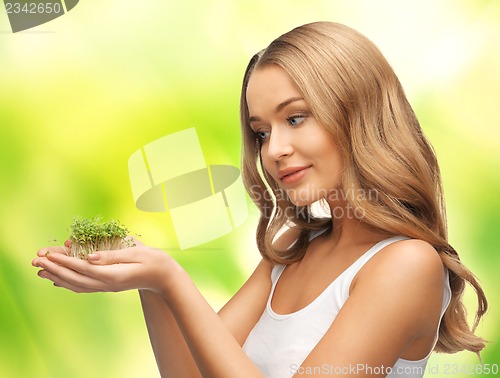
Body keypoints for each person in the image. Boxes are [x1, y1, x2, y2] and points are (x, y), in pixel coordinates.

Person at [32, 22, 487, 377]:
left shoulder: (407, 265)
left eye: (296, 118)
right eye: (261, 132)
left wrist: (171, 279)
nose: (273, 150)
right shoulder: (291, 253)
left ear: (358, 112)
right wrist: (148, 282)